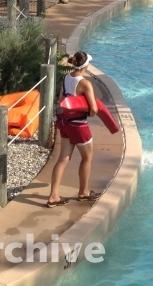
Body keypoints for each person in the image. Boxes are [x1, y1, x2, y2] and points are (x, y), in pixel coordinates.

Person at [46, 52, 100, 207]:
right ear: (85, 65)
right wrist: (89, 111)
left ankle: (53, 196)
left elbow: (62, 101)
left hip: (65, 123)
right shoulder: (85, 83)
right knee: (87, 157)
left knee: (63, 158)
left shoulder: (66, 78)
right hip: (79, 125)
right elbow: (94, 109)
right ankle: (84, 192)